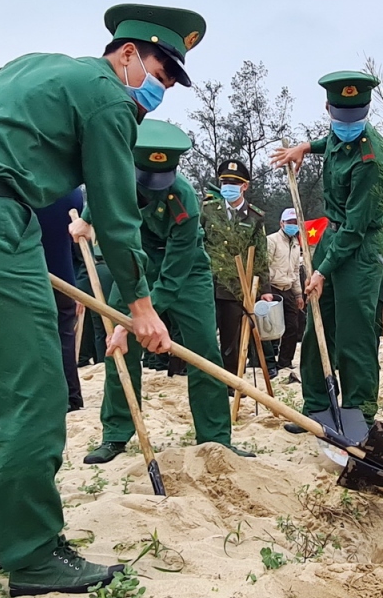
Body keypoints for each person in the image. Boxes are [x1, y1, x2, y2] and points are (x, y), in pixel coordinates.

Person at [0, 3, 200, 596]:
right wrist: (141, 307)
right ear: (126, 54)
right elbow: (117, 217)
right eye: (161, 76)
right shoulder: (108, 98)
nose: (160, 92)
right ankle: (34, 554)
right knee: (34, 391)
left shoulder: (34, 65)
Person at [76, 120, 251, 463]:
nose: (155, 190)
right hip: (134, 265)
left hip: (184, 272)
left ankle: (215, 437)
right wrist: (85, 220)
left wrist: (140, 318)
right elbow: (98, 194)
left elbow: (173, 275)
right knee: (119, 349)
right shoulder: (118, 178)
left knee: (203, 350)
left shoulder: (184, 197)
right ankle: (115, 433)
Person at [271, 72, 383, 430]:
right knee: (317, 325)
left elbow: (356, 228)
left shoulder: (374, 158)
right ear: (329, 109)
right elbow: (332, 141)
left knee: (354, 333)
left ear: (367, 112)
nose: (348, 125)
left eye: (356, 117)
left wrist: (321, 271)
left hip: (361, 245)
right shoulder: (339, 137)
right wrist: (304, 148)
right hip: (331, 236)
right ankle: (318, 406)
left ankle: (359, 412)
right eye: (341, 117)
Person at [201, 157, 273, 376]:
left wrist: (265, 290)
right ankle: (206, 377)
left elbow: (260, 255)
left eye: (233, 183)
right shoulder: (208, 211)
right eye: (224, 183)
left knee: (232, 339)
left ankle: (231, 381)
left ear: (244, 186)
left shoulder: (254, 217)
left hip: (235, 288)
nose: (228, 188)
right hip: (208, 283)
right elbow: (198, 242)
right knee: (204, 335)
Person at [34, 188, 86, 412]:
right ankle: (72, 396)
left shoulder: (21, 188)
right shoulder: (71, 193)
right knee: (64, 337)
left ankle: (51, 397)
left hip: (30, 275)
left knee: (35, 339)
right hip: (64, 277)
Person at [266, 208, 306, 377]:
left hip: (288, 288)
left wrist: (298, 294)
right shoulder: (271, 240)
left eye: (295, 223)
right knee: (270, 328)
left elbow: (296, 271)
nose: (293, 225)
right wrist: (265, 290)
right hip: (273, 287)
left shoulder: (296, 244)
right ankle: (268, 363)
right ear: (281, 223)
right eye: (289, 222)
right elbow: (265, 266)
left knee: (293, 326)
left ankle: (284, 361)